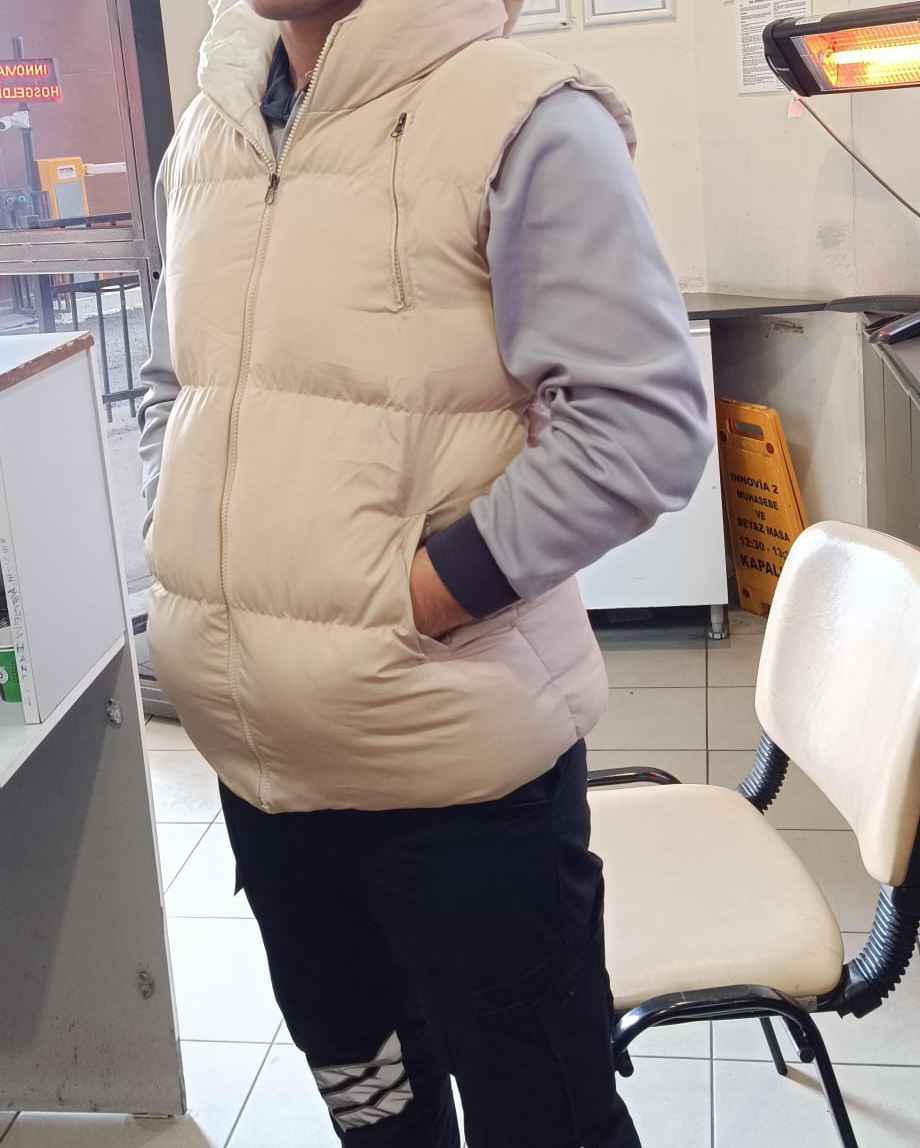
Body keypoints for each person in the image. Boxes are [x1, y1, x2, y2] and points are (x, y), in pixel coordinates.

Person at [138, 1, 712, 1144]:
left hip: (461, 785)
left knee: (541, 1122)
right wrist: (191, 553)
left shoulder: (520, 117)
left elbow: (637, 427)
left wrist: (405, 603)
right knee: (376, 1113)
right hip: (263, 773)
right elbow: (179, 384)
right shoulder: (212, 127)